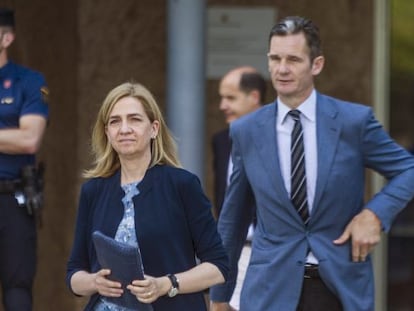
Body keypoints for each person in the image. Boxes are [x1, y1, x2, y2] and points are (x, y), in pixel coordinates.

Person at [209, 15, 414, 311]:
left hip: (338, 287)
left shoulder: (353, 122)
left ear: (316, 64)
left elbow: (407, 169)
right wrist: (219, 296)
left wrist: (374, 215)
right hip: (270, 290)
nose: (281, 69)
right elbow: (234, 217)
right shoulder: (246, 131)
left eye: (293, 59)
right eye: (275, 58)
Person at [66, 82, 229, 311]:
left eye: (134, 119)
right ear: (107, 133)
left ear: (154, 129)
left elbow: (218, 267)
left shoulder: (182, 185)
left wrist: (166, 284)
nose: (124, 129)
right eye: (115, 121)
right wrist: (94, 282)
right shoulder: (93, 191)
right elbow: (74, 273)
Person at [0, 7, 49, 311]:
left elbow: (30, 139)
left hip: (11, 197)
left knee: (17, 287)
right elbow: (18, 137)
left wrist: (18, 138)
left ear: (6, 37)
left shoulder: (27, 81)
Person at [211, 66, 266, 309]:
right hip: (233, 254)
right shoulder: (221, 140)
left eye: (230, 98)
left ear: (254, 97)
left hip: (269, 256)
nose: (223, 105)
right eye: (221, 97)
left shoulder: (278, 137)